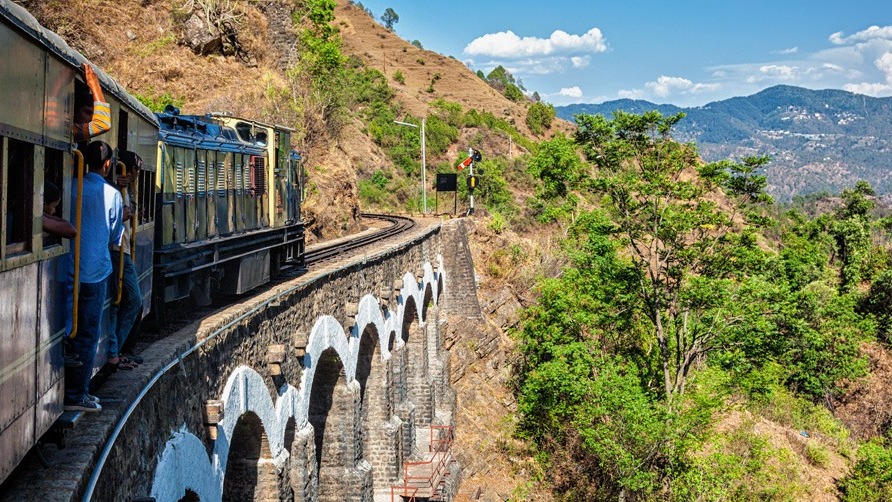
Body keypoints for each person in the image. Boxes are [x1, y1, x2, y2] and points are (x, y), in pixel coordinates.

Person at [64, 140, 123, 412]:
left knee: (66, 331)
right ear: (108, 164)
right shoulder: (112, 195)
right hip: (94, 272)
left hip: (64, 268)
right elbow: (114, 236)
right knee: (87, 334)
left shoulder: (70, 187)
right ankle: (78, 395)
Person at [106, 151, 143, 370]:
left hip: (124, 250)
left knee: (121, 302)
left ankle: (117, 351)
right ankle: (116, 351)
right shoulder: (115, 189)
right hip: (117, 250)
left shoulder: (126, 188)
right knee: (132, 300)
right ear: (133, 169)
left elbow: (134, 209)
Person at [72, 63, 111, 142]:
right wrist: (94, 85)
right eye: (88, 112)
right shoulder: (70, 129)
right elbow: (103, 124)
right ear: (74, 112)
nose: (92, 119)